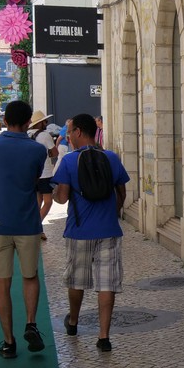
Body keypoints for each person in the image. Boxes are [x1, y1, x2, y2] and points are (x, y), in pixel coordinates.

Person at [51, 113, 129, 352]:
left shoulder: (69, 161)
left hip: (79, 231)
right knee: (107, 283)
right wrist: (112, 213)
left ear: (78, 132)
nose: (68, 137)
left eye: (69, 132)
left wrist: (53, 193)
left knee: (76, 280)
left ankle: (73, 322)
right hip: (108, 231)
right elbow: (122, 192)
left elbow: (62, 198)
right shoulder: (111, 157)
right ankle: (104, 337)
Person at [0, 100, 48, 359]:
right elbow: (35, 178)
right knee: (30, 276)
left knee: (2, 282)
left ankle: (9, 341)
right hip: (28, 222)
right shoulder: (37, 150)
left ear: (5, 120)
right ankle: (31, 323)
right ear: (29, 122)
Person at [28, 110, 59, 238]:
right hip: (45, 173)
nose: (46, 123)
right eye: (45, 121)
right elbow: (55, 152)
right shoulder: (45, 135)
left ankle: (37, 229)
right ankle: (36, 227)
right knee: (48, 202)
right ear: (40, 123)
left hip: (32, 174)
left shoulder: (27, 134)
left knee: (37, 201)